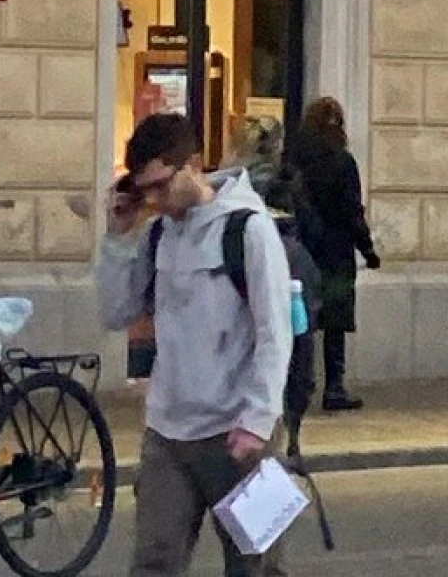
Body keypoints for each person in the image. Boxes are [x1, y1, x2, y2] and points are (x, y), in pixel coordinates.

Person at [98, 110, 293, 577]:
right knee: (153, 563)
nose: (154, 199)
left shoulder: (248, 228)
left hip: (238, 431)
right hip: (168, 432)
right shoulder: (157, 233)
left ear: (193, 165)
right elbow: (116, 312)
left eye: (161, 185)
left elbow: (274, 331)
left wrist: (259, 419)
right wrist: (118, 239)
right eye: (145, 190)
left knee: (254, 567)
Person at [282, 96, 380, 413]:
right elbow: (352, 211)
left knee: (299, 318)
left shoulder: (294, 160)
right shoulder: (342, 161)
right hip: (336, 252)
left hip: (302, 249)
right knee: (335, 322)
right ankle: (334, 387)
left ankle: (294, 383)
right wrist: (368, 249)